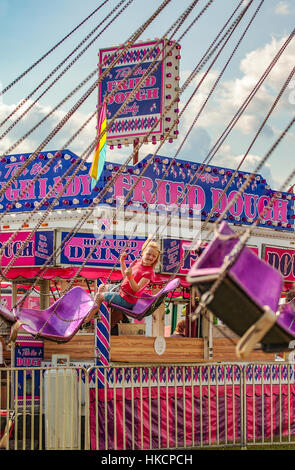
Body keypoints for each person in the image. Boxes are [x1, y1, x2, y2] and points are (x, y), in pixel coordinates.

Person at [84, 238, 161, 323]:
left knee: (99, 296)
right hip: (121, 291)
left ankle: (86, 321)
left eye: (154, 256)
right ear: (142, 253)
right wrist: (122, 261)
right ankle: (96, 310)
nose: (150, 257)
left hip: (128, 300)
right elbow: (125, 275)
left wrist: (130, 276)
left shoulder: (148, 273)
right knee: (102, 287)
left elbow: (137, 288)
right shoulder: (137, 262)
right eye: (148, 254)